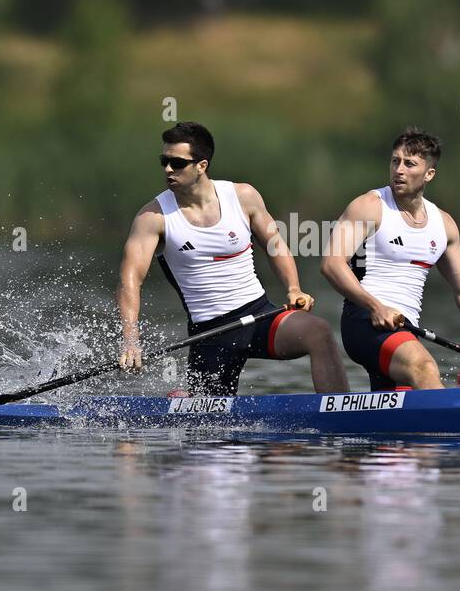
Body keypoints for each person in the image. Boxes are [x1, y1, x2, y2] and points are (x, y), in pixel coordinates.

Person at [117, 121, 349, 395]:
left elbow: (275, 245)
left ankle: (337, 409)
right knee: (208, 426)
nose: (168, 169)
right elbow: (129, 280)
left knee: (319, 332)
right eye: (164, 161)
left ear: (201, 166)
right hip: (211, 332)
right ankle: (184, 398)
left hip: (260, 315)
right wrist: (130, 339)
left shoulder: (243, 196)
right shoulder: (153, 217)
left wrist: (293, 288)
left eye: (177, 163)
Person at [320, 127, 460, 390]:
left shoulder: (445, 225)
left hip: (406, 329)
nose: (399, 170)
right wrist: (376, 306)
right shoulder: (369, 207)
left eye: (409, 164)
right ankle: (456, 428)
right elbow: (331, 263)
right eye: (395, 161)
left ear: (429, 174)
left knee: (398, 414)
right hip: (364, 321)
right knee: (424, 367)